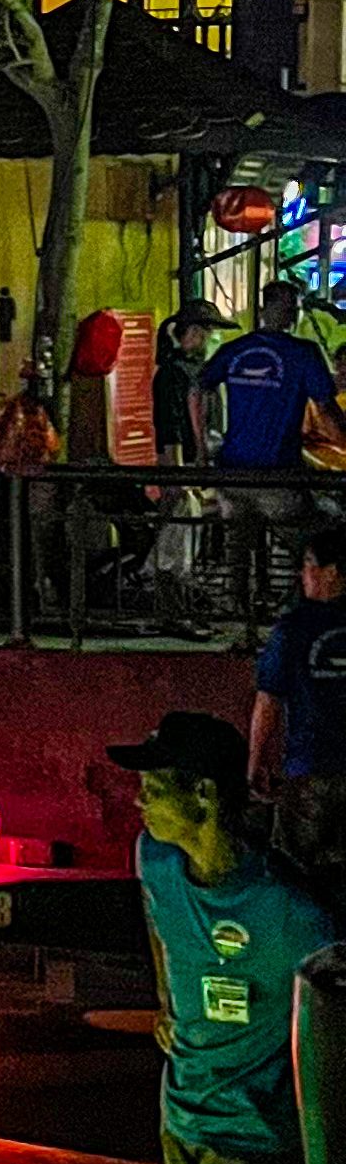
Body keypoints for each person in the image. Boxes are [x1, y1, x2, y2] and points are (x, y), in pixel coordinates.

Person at [110, 711, 334, 1164]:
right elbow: (156, 917)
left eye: (155, 788)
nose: (140, 801)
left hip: (252, 1139)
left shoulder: (288, 913)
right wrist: (166, 999)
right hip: (179, 1121)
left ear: (204, 796)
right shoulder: (156, 860)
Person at [249, 526, 346, 905]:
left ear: (332, 571)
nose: (302, 574)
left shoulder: (293, 629)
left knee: (294, 876)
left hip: (309, 767)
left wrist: (255, 762)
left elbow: (268, 700)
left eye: (308, 564)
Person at [202, 281, 337, 499]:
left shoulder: (234, 349)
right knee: (321, 523)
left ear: (262, 311)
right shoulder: (304, 353)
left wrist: (200, 450)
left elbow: (196, 388)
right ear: (294, 313)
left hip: (233, 471)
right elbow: (326, 410)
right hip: (279, 472)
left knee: (240, 531)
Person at [158, 300, 231, 467]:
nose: (213, 337)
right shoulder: (173, 373)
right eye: (210, 331)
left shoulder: (203, 371)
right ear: (193, 332)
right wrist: (177, 475)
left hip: (204, 461)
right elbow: (170, 427)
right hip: (187, 464)